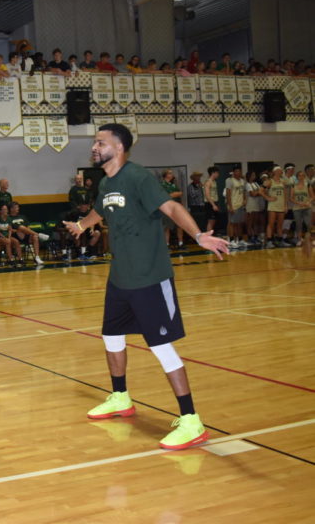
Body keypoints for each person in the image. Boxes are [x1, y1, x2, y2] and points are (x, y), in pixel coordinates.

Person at [64, 123, 229, 450]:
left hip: (150, 278)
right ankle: (121, 397)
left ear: (120, 148)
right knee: (111, 336)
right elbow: (102, 208)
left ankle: (191, 420)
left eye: (101, 142)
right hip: (120, 277)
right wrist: (83, 224)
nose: (94, 147)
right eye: (94, 142)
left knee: (161, 347)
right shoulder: (107, 182)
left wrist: (198, 235)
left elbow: (171, 207)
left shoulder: (139, 177)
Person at [224, 166, 248, 249]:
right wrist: (230, 206)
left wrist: (245, 200)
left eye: (239, 171)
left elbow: (244, 191)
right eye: (237, 171)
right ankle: (230, 241)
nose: (238, 173)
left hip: (241, 205)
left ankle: (239, 239)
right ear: (233, 172)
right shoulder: (229, 181)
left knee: (239, 223)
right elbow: (228, 194)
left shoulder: (243, 181)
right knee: (232, 223)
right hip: (233, 205)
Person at [160, 170, 185, 249]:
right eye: (170, 173)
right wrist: (176, 194)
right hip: (167, 208)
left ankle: (181, 243)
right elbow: (167, 195)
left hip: (176, 208)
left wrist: (177, 194)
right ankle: (166, 244)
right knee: (167, 227)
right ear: (165, 175)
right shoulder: (162, 185)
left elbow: (180, 193)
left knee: (179, 226)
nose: (172, 174)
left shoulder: (173, 185)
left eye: (172, 173)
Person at [288, 170, 312, 249]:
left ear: (304, 177)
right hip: (297, 207)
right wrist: (298, 203)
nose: (301, 177)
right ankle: (299, 239)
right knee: (298, 224)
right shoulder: (293, 186)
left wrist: (308, 201)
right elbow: (291, 198)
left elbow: (313, 196)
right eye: (299, 176)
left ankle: (309, 239)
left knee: (308, 223)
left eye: (302, 176)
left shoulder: (307, 185)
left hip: (306, 207)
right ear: (297, 177)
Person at [244, 170, 265, 246]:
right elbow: (252, 194)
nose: (254, 176)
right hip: (250, 205)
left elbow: (261, 192)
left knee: (256, 223)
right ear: (249, 176)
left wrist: (259, 192)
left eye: (254, 175)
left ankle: (255, 237)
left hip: (257, 205)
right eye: (253, 175)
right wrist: (259, 192)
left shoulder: (256, 184)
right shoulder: (247, 185)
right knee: (250, 223)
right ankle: (250, 238)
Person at [203, 166, 220, 234]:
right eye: (217, 173)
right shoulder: (208, 182)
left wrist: (216, 204)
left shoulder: (214, 182)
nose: (218, 174)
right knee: (210, 222)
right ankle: (208, 239)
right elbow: (207, 195)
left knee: (213, 222)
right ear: (213, 173)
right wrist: (213, 205)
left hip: (215, 202)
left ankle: (210, 237)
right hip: (210, 203)